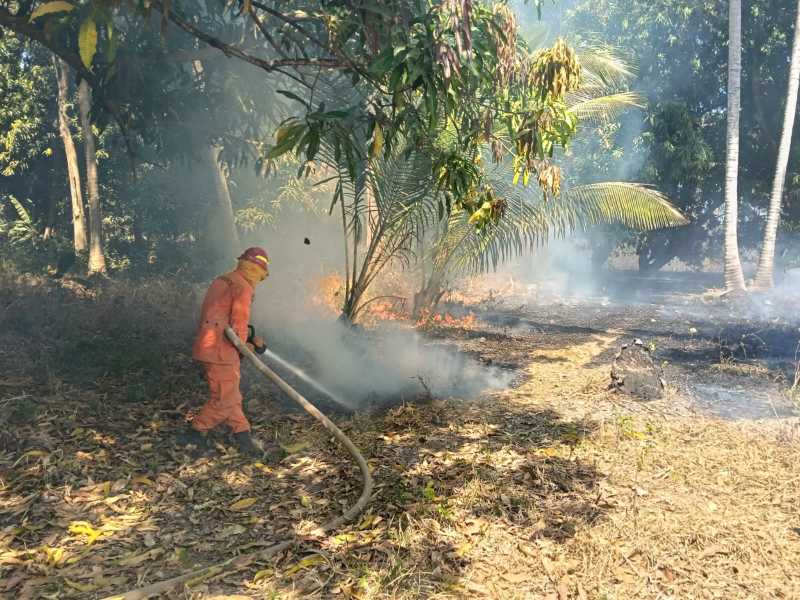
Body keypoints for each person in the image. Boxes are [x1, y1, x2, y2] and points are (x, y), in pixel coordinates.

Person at [179, 247, 269, 456]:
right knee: (223, 399)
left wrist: (249, 338)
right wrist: (245, 346)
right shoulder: (243, 287)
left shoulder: (224, 280)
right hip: (221, 350)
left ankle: (243, 435)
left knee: (230, 395)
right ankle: (195, 432)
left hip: (209, 343)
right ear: (257, 270)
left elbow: (220, 316)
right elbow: (237, 324)